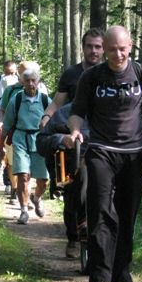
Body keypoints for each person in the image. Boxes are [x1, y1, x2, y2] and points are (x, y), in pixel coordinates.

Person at [67, 25, 142, 282]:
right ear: (105, 50)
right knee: (100, 212)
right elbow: (77, 111)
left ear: (130, 46)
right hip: (101, 150)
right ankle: (100, 276)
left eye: (122, 49)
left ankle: (122, 273)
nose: (117, 54)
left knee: (127, 213)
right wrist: (75, 130)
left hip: (134, 153)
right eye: (111, 49)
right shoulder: (92, 78)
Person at [38, 28, 105, 256]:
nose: (94, 50)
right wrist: (48, 118)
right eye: (90, 46)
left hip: (103, 140)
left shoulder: (112, 73)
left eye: (98, 46)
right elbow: (57, 103)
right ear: (83, 47)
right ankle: (74, 237)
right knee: (75, 186)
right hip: (73, 137)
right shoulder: (71, 74)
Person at [0, 66, 51, 224]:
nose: (30, 83)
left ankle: (37, 198)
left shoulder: (44, 100)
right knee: (23, 175)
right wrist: (0, 145)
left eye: (33, 80)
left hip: (39, 140)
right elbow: (7, 124)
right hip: (20, 138)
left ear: (38, 82)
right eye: (27, 81)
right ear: (22, 82)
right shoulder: (17, 99)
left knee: (43, 180)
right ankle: (23, 210)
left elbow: (53, 121)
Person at [36, 103, 89, 260]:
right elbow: (41, 142)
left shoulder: (114, 111)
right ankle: (74, 237)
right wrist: (62, 139)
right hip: (73, 166)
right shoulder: (65, 112)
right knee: (81, 177)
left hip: (107, 165)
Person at [0, 60, 18, 192]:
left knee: (10, 151)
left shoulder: (19, 84)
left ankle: (8, 183)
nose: (9, 76)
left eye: (12, 73)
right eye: (7, 73)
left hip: (12, 122)